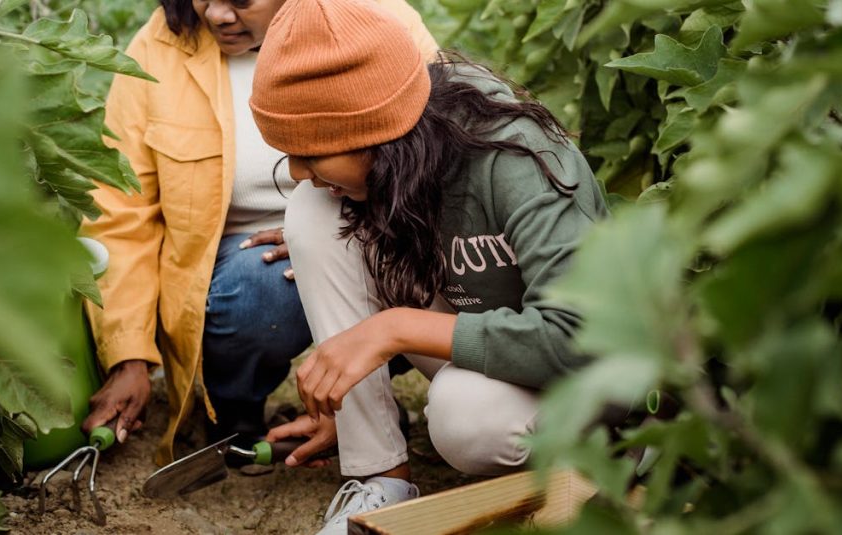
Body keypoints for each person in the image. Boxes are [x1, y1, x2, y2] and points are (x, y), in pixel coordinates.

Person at [248, 0, 609, 531]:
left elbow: (581, 337)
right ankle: (379, 478)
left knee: (465, 418)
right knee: (312, 214)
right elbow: (332, 210)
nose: (300, 171)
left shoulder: (515, 157)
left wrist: (396, 327)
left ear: (379, 131)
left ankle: (611, 453)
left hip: (584, 374)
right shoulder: (396, 161)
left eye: (313, 152)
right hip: (486, 350)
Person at [80, 0, 437, 467]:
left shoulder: (380, 20)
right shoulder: (158, 50)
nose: (216, 15)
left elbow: (436, 154)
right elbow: (122, 211)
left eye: (241, 1)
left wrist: (329, 228)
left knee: (388, 272)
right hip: (246, 257)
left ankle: (366, 405)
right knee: (255, 290)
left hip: (372, 233)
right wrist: (129, 358)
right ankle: (234, 412)